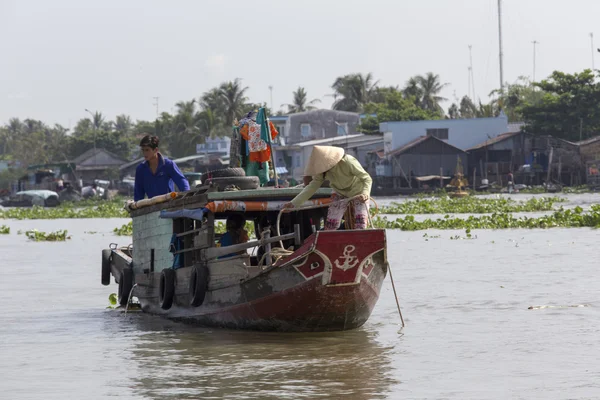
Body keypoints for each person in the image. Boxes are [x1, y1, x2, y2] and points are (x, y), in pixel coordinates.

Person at [284, 146, 372, 230]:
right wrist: (294, 203)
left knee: (361, 223)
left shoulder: (348, 161)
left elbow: (367, 178)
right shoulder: (323, 171)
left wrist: (365, 193)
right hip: (340, 193)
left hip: (358, 193)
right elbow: (311, 187)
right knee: (331, 225)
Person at [134, 135, 190, 201]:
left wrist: (187, 197)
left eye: (147, 150)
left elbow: (182, 181)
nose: (144, 153)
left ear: (156, 150)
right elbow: (138, 193)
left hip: (169, 205)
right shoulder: (141, 169)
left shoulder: (168, 165)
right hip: (152, 207)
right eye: (143, 150)